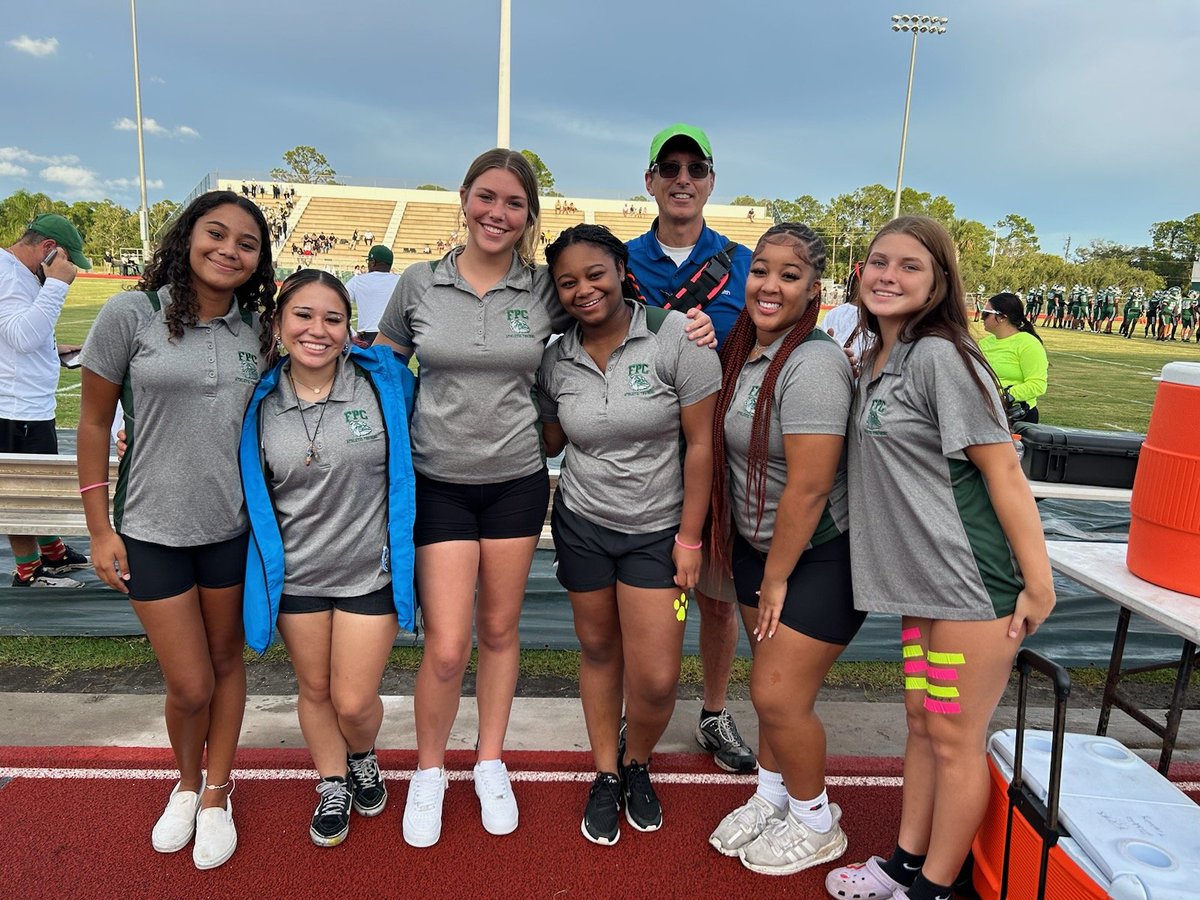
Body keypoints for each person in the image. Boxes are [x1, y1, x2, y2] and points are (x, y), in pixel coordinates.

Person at [374, 149, 715, 848]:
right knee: (447, 647)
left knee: (501, 631)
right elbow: (382, 366)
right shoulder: (418, 284)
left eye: (514, 202)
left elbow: (608, 306)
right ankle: (431, 771)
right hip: (440, 482)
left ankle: (490, 761)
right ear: (464, 197)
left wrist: (690, 324)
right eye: (487, 197)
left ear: (529, 214)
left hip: (516, 483)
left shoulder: (542, 289)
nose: (497, 213)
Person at [826, 216, 1054, 900]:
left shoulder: (941, 357)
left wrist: (1038, 582)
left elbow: (1003, 472)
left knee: (954, 738)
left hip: (970, 585)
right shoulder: (876, 356)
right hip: (921, 586)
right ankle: (907, 862)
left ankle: (936, 887)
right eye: (878, 261)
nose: (888, 276)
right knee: (923, 725)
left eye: (910, 266)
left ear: (939, 283)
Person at [76, 190, 276, 870]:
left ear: (258, 260)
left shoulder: (259, 331)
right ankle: (186, 784)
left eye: (246, 243)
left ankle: (217, 791)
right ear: (187, 237)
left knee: (226, 664)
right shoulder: (131, 314)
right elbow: (94, 424)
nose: (229, 250)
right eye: (215, 234)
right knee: (189, 685)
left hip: (231, 529)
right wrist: (99, 529)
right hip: (149, 528)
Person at [538, 224, 719, 845]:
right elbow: (550, 440)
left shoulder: (677, 336)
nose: (584, 290)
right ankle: (607, 772)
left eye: (595, 274)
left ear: (621, 269)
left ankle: (638, 758)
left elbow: (702, 446)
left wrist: (689, 538)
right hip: (583, 524)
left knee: (657, 677)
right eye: (568, 282)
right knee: (598, 650)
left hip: (657, 533)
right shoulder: (555, 358)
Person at [706, 223, 864, 876]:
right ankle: (771, 797)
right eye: (761, 270)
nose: (770, 285)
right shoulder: (745, 349)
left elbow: (809, 486)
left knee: (777, 697)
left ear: (814, 290)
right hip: (759, 547)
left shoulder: (815, 363)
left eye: (789, 275)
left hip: (819, 555)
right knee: (770, 690)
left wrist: (775, 578)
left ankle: (817, 821)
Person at [240, 270, 416, 848]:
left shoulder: (383, 382)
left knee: (354, 700)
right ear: (278, 323)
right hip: (297, 576)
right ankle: (333, 780)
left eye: (333, 319)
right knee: (314, 689)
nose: (317, 330)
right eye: (303, 315)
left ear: (348, 328)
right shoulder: (257, 399)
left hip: (369, 571)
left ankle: (362, 753)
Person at [625, 123, 757, 774]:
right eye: (670, 168)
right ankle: (636, 708)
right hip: (638, 455)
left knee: (717, 598)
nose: (683, 179)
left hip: (716, 451)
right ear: (649, 180)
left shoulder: (742, 260)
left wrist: (724, 340)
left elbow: (771, 343)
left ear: (711, 181)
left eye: (695, 168)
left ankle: (712, 709)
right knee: (635, 595)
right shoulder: (620, 259)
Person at [1, 214, 93, 587]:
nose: (72, 270)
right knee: (20, 493)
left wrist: (54, 350)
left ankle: (52, 551)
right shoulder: (8, 275)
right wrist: (56, 284)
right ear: (49, 250)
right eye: (68, 259)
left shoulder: (18, 274)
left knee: (39, 486)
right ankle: (29, 569)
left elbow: (19, 337)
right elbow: (22, 337)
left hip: (28, 403)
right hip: (13, 408)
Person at [978, 292, 1048, 425]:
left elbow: (1037, 385)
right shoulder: (984, 343)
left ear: (1002, 317)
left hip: (1016, 416)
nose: (982, 318)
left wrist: (1004, 395)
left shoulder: (1028, 344)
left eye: (986, 314)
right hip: (986, 412)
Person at [345, 245, 399, 345]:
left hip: (366, 337)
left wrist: (351, 332)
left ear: (373, 262)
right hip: (393, 336)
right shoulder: (400, 281)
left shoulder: (358, 281)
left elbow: (337, 304)